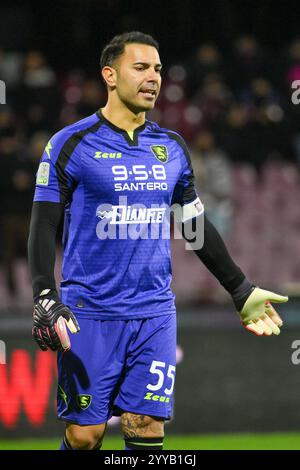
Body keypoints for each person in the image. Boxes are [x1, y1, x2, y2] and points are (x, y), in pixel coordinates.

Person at [28, 32, 288, 451]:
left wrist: (240, 289)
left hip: (155, 313)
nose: (154, 78)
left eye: (158, 69)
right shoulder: (69, 144)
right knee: (85, 435)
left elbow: (194, 227)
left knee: (146, 424)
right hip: (90, 311)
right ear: (109, 75)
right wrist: (44, 292)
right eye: (141, 67)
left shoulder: (171, 148)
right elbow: (42, 225)